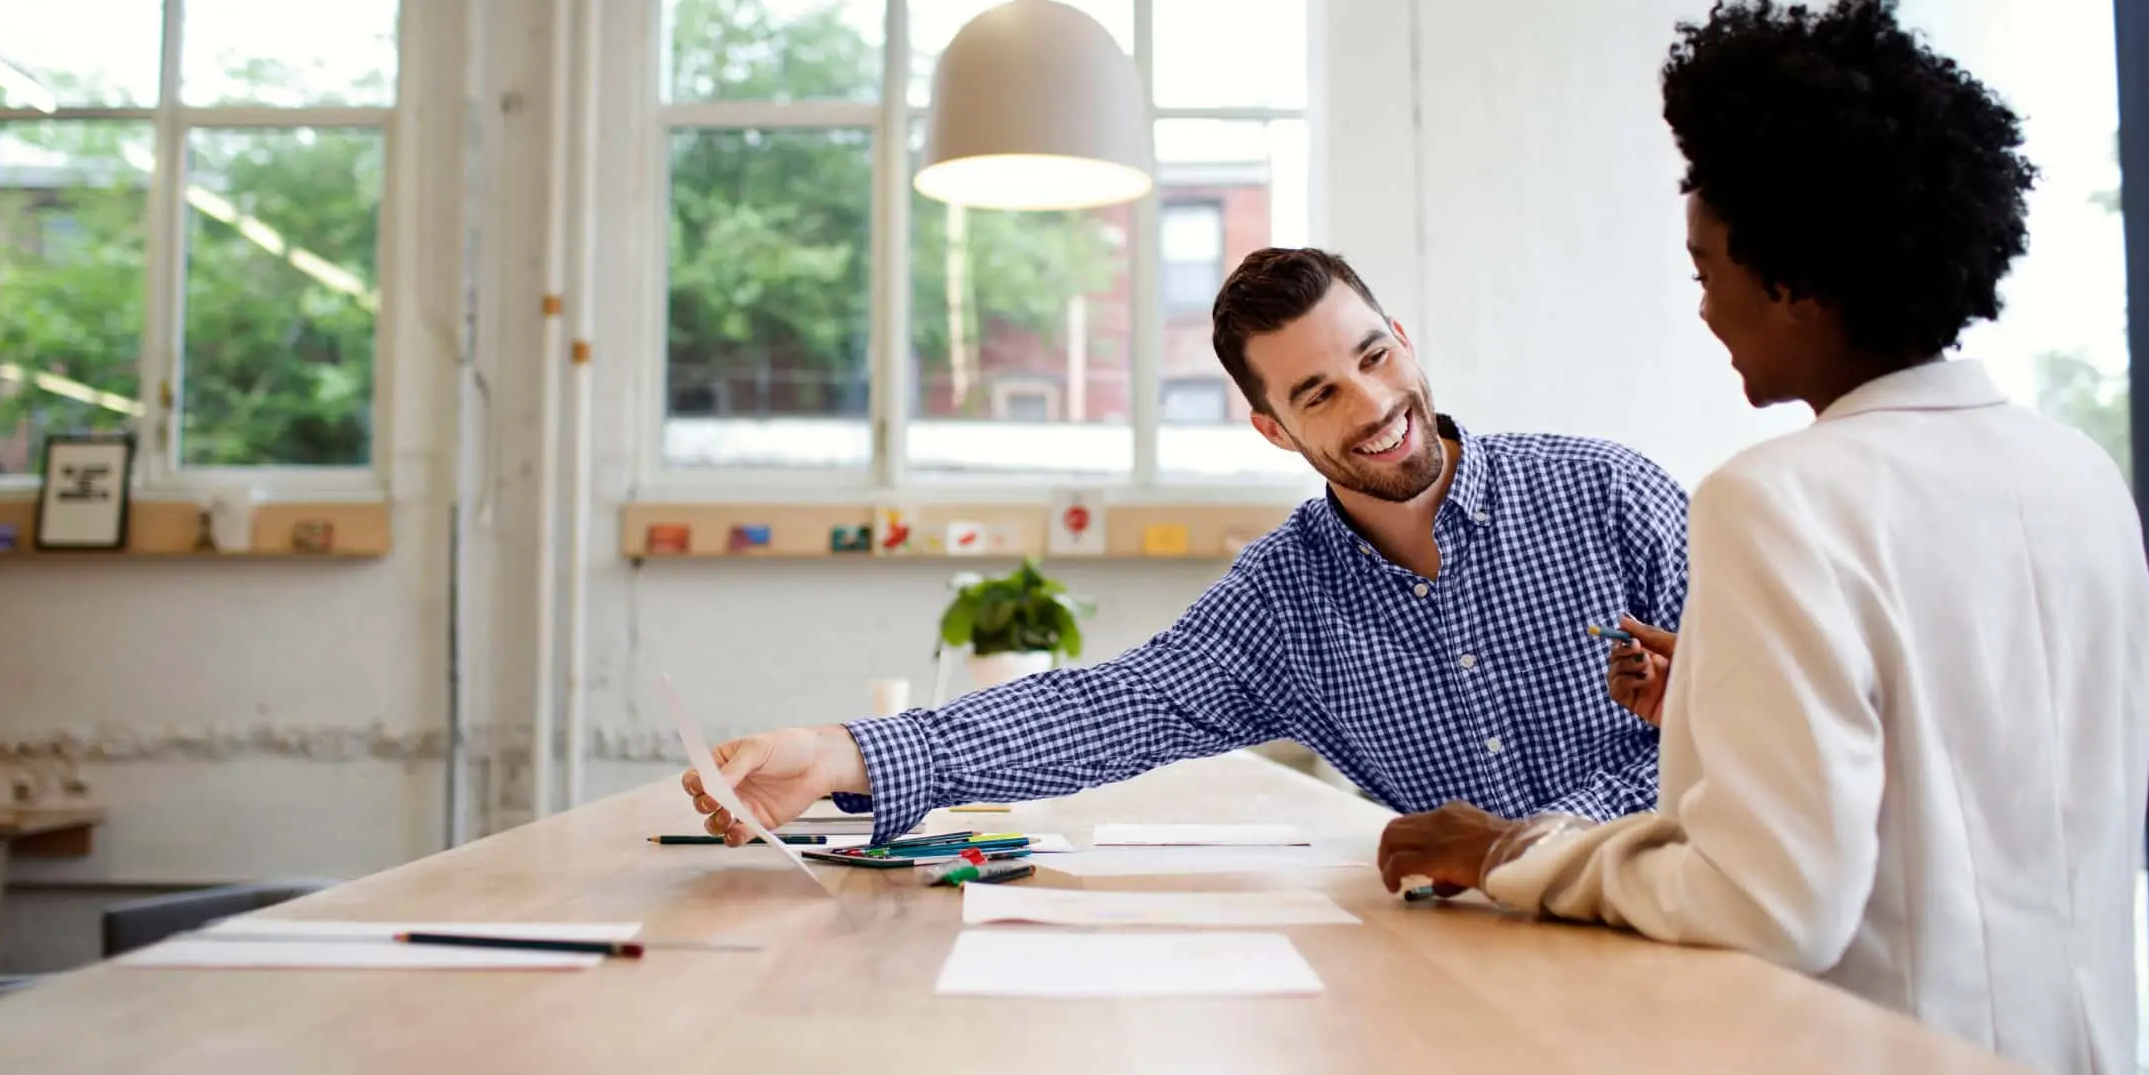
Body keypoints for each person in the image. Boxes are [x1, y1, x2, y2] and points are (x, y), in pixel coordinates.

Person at [1376, 0, 2149, 1075]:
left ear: (1793, 278)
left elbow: (1769, 900)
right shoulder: (2079, 475)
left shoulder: (1775, 497)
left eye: (1708, 269)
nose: (1702, 308)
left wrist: (1510, 851)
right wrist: (1719, 701)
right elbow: (1980, 745)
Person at [683, 248, 1688, 844]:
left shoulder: (1611, 496)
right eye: (1317, 393)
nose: (1375, 404)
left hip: (1691, 929)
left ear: (1403, 337)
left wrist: (1529, 849)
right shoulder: (1287, 602)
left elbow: (1767, 724)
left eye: (1374, 356)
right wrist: (841, 751)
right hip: (1485, 970)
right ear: (1273, 430)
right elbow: (1106, 707)